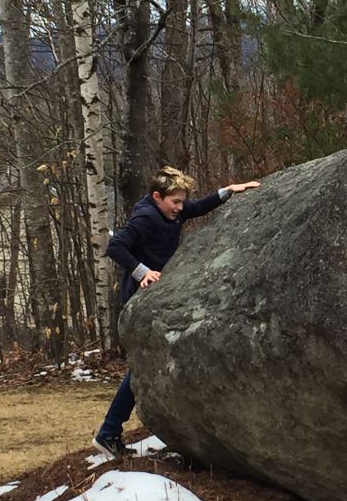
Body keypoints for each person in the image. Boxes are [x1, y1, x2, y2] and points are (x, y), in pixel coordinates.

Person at [92, 166, 261, 458]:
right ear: (157, 197)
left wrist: (227, 191)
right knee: (142, 368)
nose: (180, 208)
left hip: (159, 293)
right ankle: (108, 433)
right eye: (175, 202)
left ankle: (115, 431)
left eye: (182, 201)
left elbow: (194, 208)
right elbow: (116, 245)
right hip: (141, 295)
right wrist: (142, 271)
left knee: (150, 364)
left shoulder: (170, 210)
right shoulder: (146, 217)